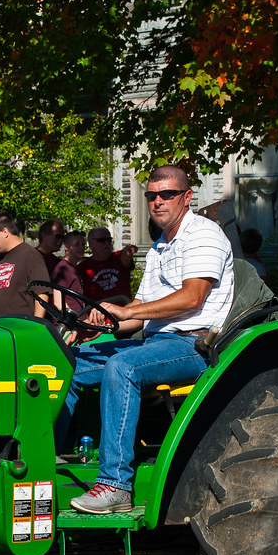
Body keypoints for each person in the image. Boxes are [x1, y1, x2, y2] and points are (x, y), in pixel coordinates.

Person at [61, 165, 234, 514]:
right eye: (151, 195)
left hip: (192, 344)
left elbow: (192, 298)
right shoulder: (159, 246)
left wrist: (126, 314)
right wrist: (103, 323)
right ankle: (43, 461)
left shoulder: (203, 235)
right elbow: (138, 311)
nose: (157, 202)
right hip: (153, 343)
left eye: (167, 194)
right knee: (67, 362)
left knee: (121, 366)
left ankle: (115, 485)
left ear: (186, 197)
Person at [0, 211, 49, 319]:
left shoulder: (30, 255)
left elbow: (42, 293)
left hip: (21, 329)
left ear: (5, 232)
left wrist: (36, 325)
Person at [78, 227, 136, 304]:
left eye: (109, 240)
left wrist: (130, 249)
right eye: (101, 240)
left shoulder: (118, 258)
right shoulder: (83, 267)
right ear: (91, 243)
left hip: (123, 312)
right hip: (97, 314)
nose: (106, 243)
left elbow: (127, 253)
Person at [52, 231, 86, 314]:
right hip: (68, 326)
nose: (81, 248)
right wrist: (73, 319)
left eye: (83, 244)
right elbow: (58, 302)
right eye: (77, 244)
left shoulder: (73, 268)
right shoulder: (63, 269)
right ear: (66, 246)